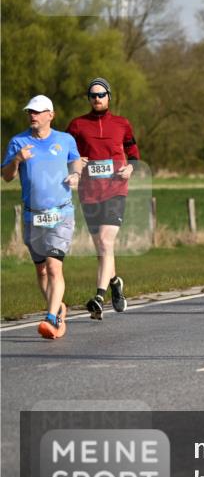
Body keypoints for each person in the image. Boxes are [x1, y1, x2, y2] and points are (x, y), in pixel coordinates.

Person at [2, 95, 82, 339]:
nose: (32, 116)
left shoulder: (65, 139)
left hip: (61, 212)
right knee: (41, 272)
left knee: (54, 266)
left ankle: (50, 318)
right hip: (32, 216)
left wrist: (76, 175)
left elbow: (76, 160)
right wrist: (17, 159)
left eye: (37, 112)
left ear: (51, 115)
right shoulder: (18, 141)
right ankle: (58, 308)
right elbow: (6, 176)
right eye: (30, 112)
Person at [66, 77, 140, 320]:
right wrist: (77, 162)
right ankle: (115, 283)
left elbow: (134, 155)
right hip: (89, 193)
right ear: (88, 98)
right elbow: (66, 155)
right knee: (101, 247)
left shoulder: (122, 124)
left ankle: (98, 296)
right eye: (93, 95)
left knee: (106, 242)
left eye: (101, 94)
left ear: (109, 96)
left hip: (115, 190)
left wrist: (130, 169)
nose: (97, 99)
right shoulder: (77, 125)